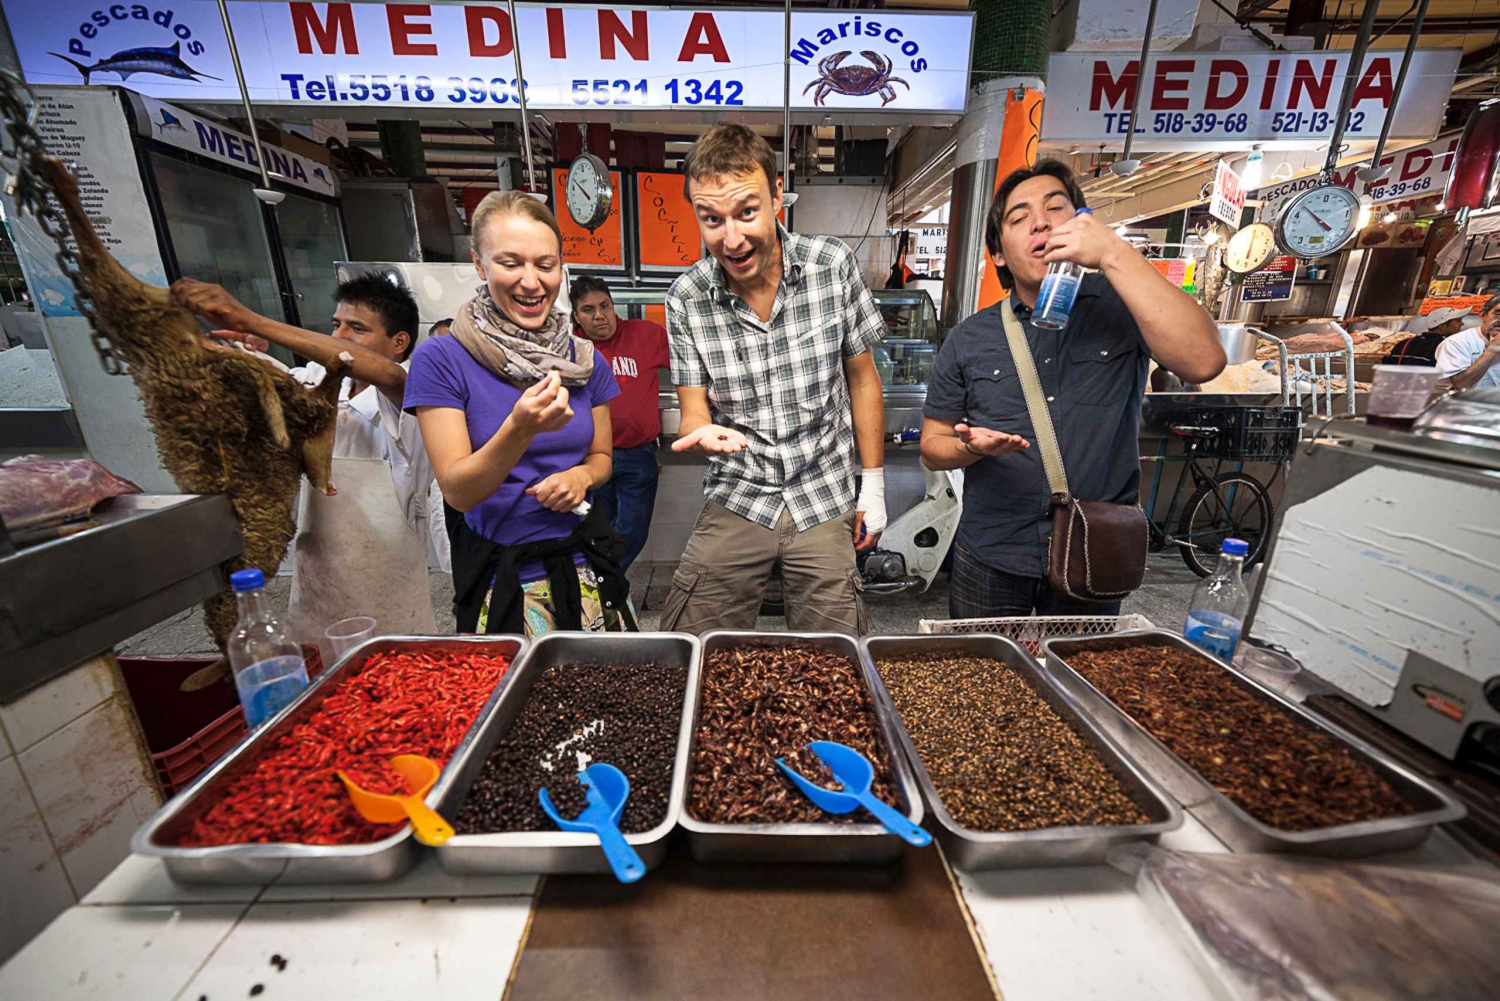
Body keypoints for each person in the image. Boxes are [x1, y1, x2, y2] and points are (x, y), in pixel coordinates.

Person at [920, 160, 1224, 619]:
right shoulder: (970, 338)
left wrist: (1115, 255)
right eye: (1018, 218)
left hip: (1093, 548)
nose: (1040, 221)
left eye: (1056, 208)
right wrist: (972, 450)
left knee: (1078, 683)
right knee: (986, 685)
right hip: (992, 553)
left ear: (1083, 223)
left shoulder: (1125, 306)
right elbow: (932, 446)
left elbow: (1204, 361)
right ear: (998, 253)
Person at [661, 123, 888, 635]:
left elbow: (863, 378)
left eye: (746, 211)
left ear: (778, 195)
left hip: (824, 491)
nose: (732, 237)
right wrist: (698, 432)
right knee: (690, 646)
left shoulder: (831, 266)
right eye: (711, 219)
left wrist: (872, 487)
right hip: (739, 491)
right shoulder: (686, 298)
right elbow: (693, 409)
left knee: (835, 661)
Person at [405, 190, 633, 636]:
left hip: (585, 562)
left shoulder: (583, 359)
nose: (532, 282)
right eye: (511, 263)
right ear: (479, 265)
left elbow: (602, 458)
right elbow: (459, 493)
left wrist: (581, 478)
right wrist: (519, 428)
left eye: (545, 265)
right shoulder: (442, 360)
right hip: (502, 575)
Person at [172, 274, 438, 646]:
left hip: (391, 607)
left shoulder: (414, 395)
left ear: (399, 342)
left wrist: (250, 319)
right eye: (335, 325)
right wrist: (246, 355)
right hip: (315, 596)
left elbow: (387, 375)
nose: (339, 336)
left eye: (357, 328)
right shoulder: (311, 384)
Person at [569, 275, 670, 570]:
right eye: (588, 310)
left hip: (637, 454)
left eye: (604, 305)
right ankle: (607, 587)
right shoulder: (569, 348)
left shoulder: (647, 334)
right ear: (576, 316)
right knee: (596, 528)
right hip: (586, 456)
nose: (599, 315)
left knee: (633, 531)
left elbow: (690, 363)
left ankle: (605, 581)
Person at [1435, 295, 1500, 391]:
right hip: (1467, 404)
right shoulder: (1456, 343)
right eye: (1498, 314)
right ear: (1482, 316)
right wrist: (1493, 348)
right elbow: (1461, 385)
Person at [1385, 306, 1467, 367]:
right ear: (1442, 326)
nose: (1462, 324)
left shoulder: (1404, 344)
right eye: (1458, 320)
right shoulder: (1446, 346)